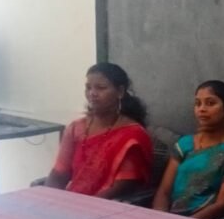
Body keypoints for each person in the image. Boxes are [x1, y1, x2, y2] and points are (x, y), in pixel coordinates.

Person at [152, 80, 224, 219]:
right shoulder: (185, 144)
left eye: (210, 103)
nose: (201, 109)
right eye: (198, 103)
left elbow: (222, 205)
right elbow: (164, 191)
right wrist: (160, 218)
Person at [46, 62, 153, 198]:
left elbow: (122, 187)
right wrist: (48, 198)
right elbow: (59, 172)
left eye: (101, 88)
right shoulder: (75, 128)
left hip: (104, 205)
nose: (92, 93)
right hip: (71, 201)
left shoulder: (132, 135)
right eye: (88, 87)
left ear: (120, 92)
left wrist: (84, 206)